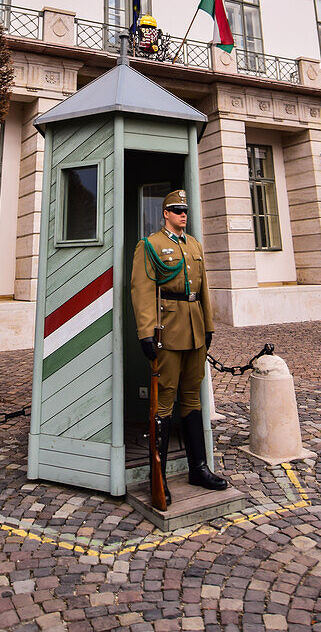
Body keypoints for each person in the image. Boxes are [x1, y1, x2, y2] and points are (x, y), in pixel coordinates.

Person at [131, 188, 227, 504]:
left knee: (192, 397)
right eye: (176, 210)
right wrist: (146, 332)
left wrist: (209, 325)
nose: (183, 214)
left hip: (195, 329)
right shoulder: (150, 245)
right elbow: (143, 291)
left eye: (185, 210)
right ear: (165, 214)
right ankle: (158, 477)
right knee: (165, 401)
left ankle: (198, 468)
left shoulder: (194, 245)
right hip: (168, 331)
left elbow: (204, 290)